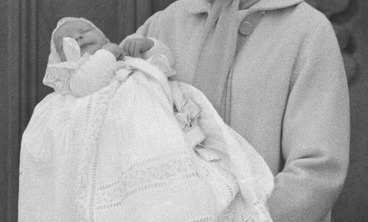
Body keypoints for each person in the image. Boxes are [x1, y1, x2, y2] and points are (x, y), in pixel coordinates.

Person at [130, 0, 350, 222]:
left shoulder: (307, 32)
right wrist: (89, 48)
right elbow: (118, 108)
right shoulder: (168, 24)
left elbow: (317, 171)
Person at [19, 17, 275, 221]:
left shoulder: (130, 59)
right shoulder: (76, 75)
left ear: (105, 35)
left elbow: (165, 62)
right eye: (71, 39)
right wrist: (106, 55)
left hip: (157, 128)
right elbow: (87, 83)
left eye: (85, 30)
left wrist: (147, 46)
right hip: (126, 137)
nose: (80, 36)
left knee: (183, 179)